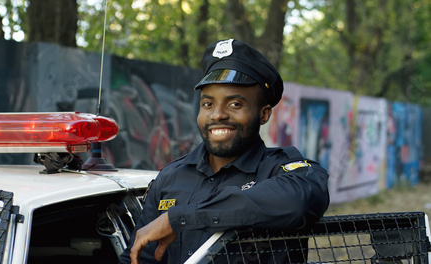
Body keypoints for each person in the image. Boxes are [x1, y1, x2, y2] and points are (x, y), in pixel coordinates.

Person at [118, 39, 330, 264]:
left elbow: (299, 202)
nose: (217, 115)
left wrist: (180, 218)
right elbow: (140, 258)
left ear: (264, 114)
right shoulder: (171, 177)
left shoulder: (281, 171)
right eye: (208, 104)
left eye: (235, 104)